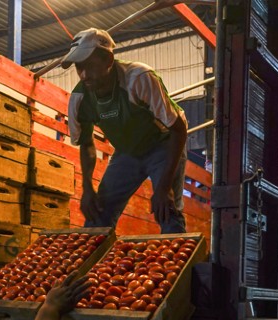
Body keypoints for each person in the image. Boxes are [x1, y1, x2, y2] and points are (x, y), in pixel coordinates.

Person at [62, 28, 189, 234]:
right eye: (79, 68)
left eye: (90, 66)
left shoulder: (138, 78)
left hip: (163, 144)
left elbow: (178, 129)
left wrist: (164, 188)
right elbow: (86, 144)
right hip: (127, 152)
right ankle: (91, 264)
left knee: (167, 211)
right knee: (98, 215)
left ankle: (179, 260)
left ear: (108, 60)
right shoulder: (80, 99)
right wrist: (86, 188)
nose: (84, 75)